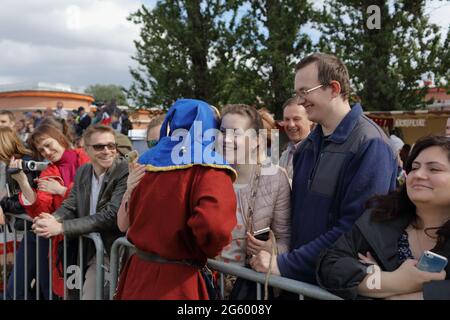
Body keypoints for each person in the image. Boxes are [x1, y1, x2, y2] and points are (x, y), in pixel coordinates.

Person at [250, 53, 398, 285]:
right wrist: (282, 249)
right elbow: (299, 218)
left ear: (334, 88)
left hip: (333, 285)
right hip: (300, 282)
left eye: (304, 92)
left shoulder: (371, 145)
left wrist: (287, 263)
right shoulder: (307, 147)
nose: (299, 101)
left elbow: (355, 231)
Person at [115, 98, 237, 300]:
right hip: (177, 284)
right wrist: (205, 251)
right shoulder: (209, 168)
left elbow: (127, 217)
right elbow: (215, 226)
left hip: (137, 275)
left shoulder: (146, 163)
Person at [317, 135, 450, 300]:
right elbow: (331, 266)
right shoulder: (381, 217)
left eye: (434, 169)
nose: (418, 175)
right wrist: (392, 282)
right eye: (414, 167)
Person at [32, 125, 128, 300]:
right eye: (99, 146)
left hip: (112, 253)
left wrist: (61, 227)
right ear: (87, 150)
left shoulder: (124, 170)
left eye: (111, 145)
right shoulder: (84, 171)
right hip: (86, 250)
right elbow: (71, 204)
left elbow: (110, 215)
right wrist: (52, 218)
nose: (107, 151)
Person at [217, 104, 291, 299]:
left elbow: (286, 238)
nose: (226, 139)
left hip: (250, 290)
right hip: (207, 284)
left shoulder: (275, 179)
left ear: (257, 140)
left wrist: (272, 249)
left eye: (235, 133)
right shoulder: (209, 175)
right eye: (223, 131)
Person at [13, 124, 90, 298]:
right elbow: (40, 210)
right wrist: (22, 181)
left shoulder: (86, 157)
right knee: (70, 291)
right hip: (67, 243)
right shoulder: (49, 171)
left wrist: (62, 190)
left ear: (60, 138)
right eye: (42, 150)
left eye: (48, 144)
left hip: (93, 238)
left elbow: (93, 192)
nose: (47, 152)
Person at [0, 127, 44, 299]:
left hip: (34, 230)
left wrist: (3, 205)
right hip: (27, 231)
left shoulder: (24, 162)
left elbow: (26, 200)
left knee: (21, 288)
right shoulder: (11, 162)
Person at [279, 97, 313, 182]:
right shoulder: (286, 153)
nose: (291, 124)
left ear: (311, 120)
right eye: (287, 119)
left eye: (296, 119)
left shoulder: (317, 152)